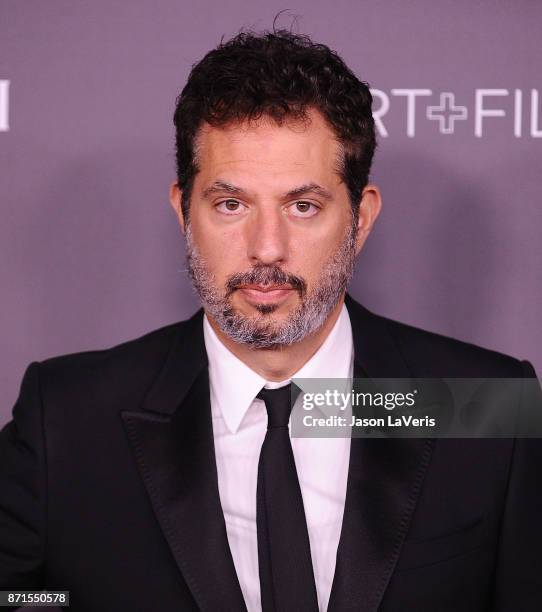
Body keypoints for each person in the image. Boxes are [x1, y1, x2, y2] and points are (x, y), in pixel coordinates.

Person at [0, 29, 540, 612]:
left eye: (302, 206)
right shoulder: (67, 418)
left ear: (360, 220)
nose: (266, 248)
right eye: (231, 204)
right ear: (184, 211)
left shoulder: (486, 407)